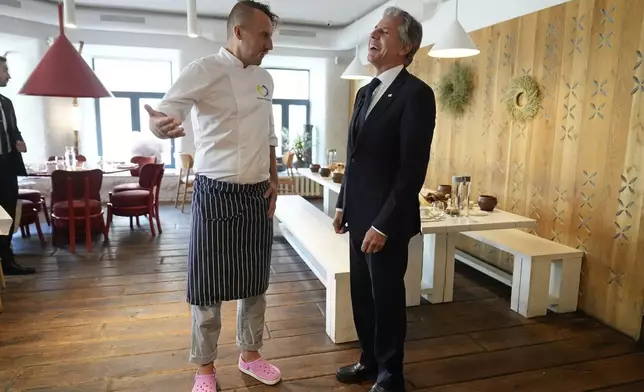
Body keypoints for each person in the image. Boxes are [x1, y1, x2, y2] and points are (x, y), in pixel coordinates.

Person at [144, 2, 281, 391]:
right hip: (216, 192)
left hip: (257, 193)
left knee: (255, 283)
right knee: (207, 286)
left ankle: (250, 354)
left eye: (271, 35)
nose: (270, 44)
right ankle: (204, 368)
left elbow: (269, 134)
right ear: (239, 32)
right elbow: (165, 113)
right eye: (265, 34)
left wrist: (274, 179)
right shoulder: (204, 69)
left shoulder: (266, 78)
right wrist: (160, 126)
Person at [333, 7, 435, 392]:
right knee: (362, 293)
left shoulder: (417, 95)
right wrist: (343, 203)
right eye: (374, 30)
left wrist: (382, 223)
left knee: (387, 296)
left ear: (405, 47)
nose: (373, 36)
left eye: (384, 31)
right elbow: (353, 153)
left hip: (386, 223)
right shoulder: (365, 92)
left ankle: (392, 373)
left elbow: (412, 170)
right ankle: (369, 360)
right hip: (358, 214)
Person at [0, 55, 36, 276]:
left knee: (6, 215)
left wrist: (18, 141)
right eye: (5, 70)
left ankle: (7, 260)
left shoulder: (6, 103)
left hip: (6, 167)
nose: (9, 75)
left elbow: (13, 130)